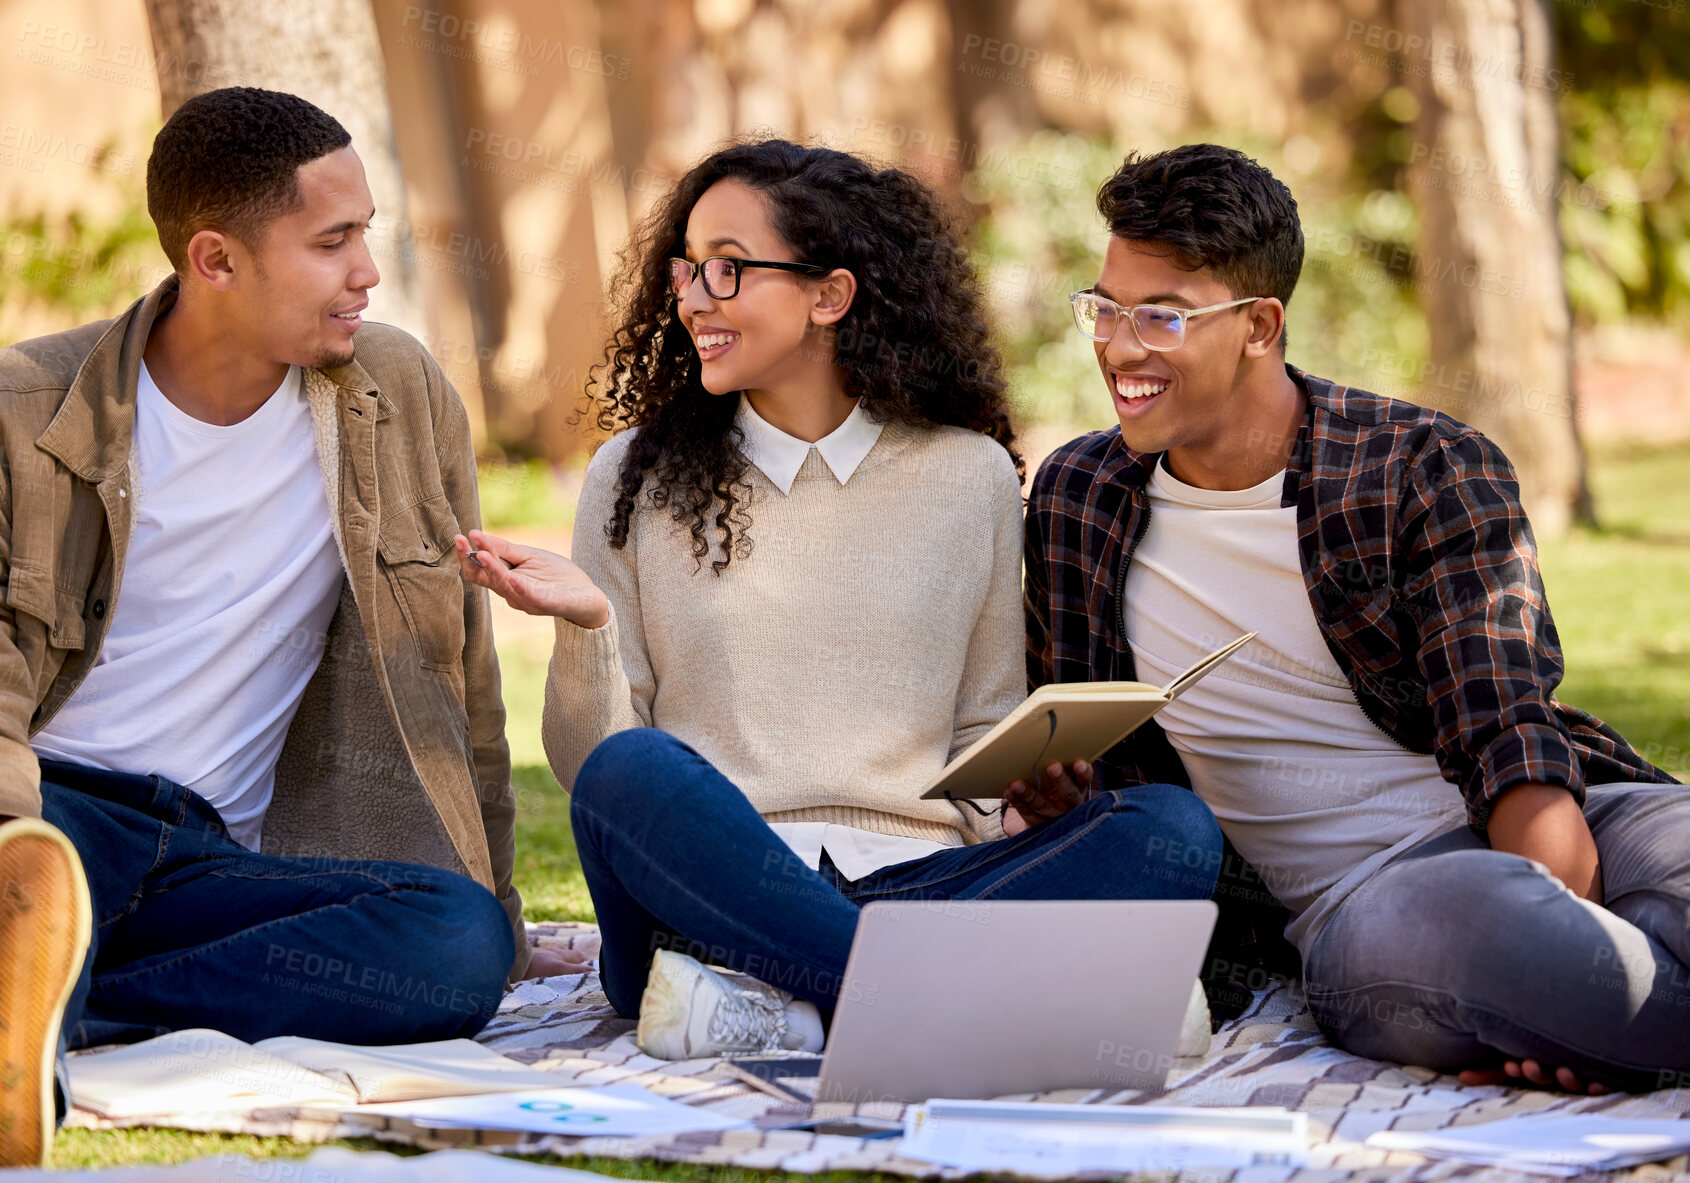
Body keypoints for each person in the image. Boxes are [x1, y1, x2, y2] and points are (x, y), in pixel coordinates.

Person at [458, 139, 1224, 1060]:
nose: (695, 297)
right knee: (635, 771)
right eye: (689, 270)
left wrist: (1027, 796)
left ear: (831, 295)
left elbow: (981, 721)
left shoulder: (968, 476)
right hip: (709, 897)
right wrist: (585, 631)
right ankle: (971, 997)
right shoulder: (634, 476)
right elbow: (598, 780)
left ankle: (797, 998)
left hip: (923, 880)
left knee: (1172, 831)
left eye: (730, 270)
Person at [1024, 142, 1686, 1095]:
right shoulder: (1081, 498)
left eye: (1163, 316)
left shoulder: (1421, 466)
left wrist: (1567, 945)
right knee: (1484, 924)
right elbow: (1098, 750)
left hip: (1554, 820)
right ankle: (1591, 993)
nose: (1119, 347)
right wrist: (1057, 792)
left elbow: (1506, 725)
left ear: (1260, 325)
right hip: (1366, 906)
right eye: (1107, 306)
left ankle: (1605, 1010)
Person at [0, 87, 562, 1166]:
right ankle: (35, 959)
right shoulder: (28, 410)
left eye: (368, 234)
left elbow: (466, 675)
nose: (369, 272)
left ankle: (47, 998)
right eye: (333, 240)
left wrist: (500, 905)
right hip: (52, 818)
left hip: (212, 865)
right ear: (214, 261)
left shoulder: (397, 392)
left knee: (454, 945)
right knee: (48, 871)